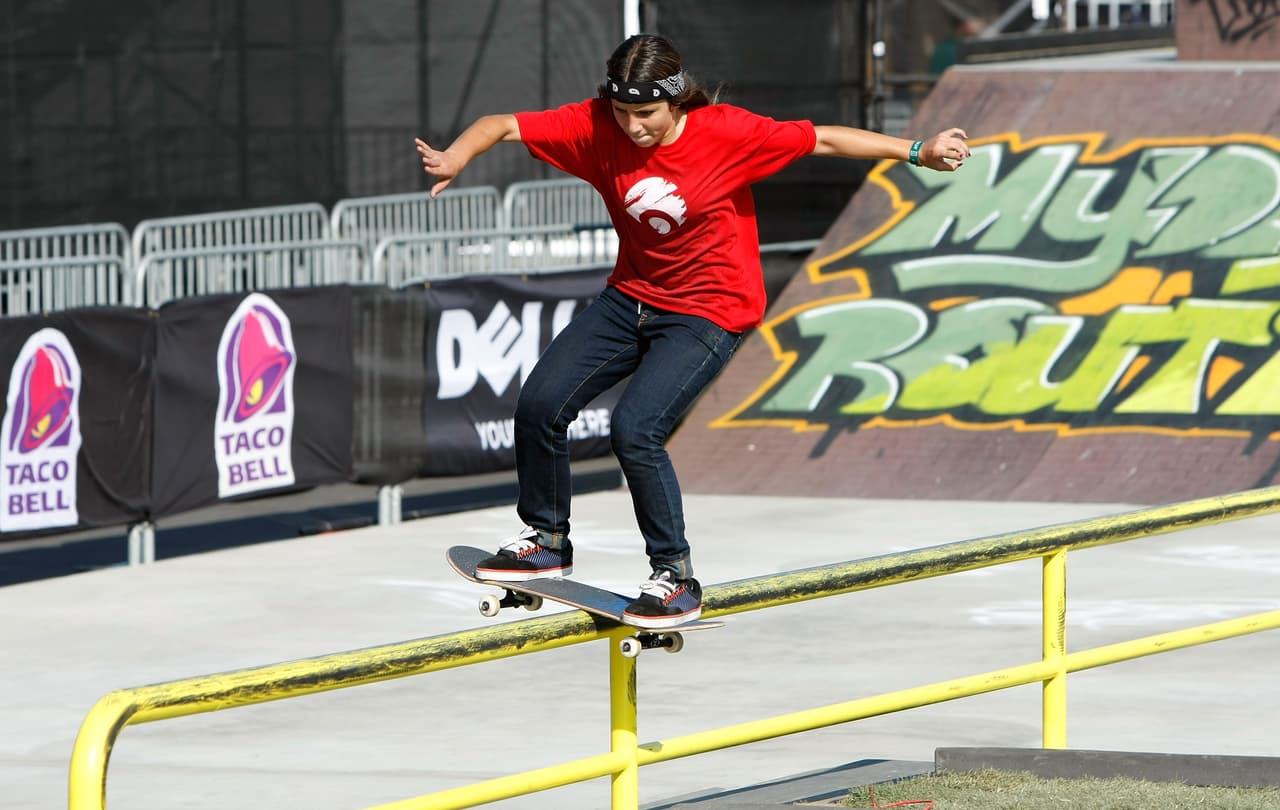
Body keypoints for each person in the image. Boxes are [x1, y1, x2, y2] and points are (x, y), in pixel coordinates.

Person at [415, 33, 970, 630]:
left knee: (636, 429)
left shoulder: (727, 133)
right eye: (623, 113)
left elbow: (825, 138)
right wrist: (456, 157)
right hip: (631, 296)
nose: (634, 128)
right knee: (541, 403)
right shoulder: (595, 125)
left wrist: (919, 150)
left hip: (711, 309)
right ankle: (547, 539)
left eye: (647, 114)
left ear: (677, 100)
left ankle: (674, 576)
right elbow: (501, 125)